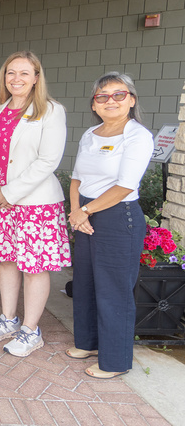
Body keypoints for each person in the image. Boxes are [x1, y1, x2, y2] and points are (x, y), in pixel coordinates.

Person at [0, 51, 71, 357]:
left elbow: (48, 161)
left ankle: (31, 330)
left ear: (36, 78)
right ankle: (8, 320)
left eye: (24, 73)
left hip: (35, 204)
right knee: (7, 260)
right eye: (11, 73)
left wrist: (10, 192)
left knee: (34, 267)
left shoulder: (51, 111)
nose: (16, 79)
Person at [68, 72, 153, 379]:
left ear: (131, 100)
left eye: (119, 95)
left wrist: (85, 211)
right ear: (95, 104)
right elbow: (77, 177)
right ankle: (88, 343)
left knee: (113, 290)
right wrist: (77, 210)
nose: (110, 101)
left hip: (119, 217)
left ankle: (115, 361)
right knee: (86, 283)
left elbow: (126, 186)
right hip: (88, 214)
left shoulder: (138, 136)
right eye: (102, 96)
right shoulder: (91, 134)